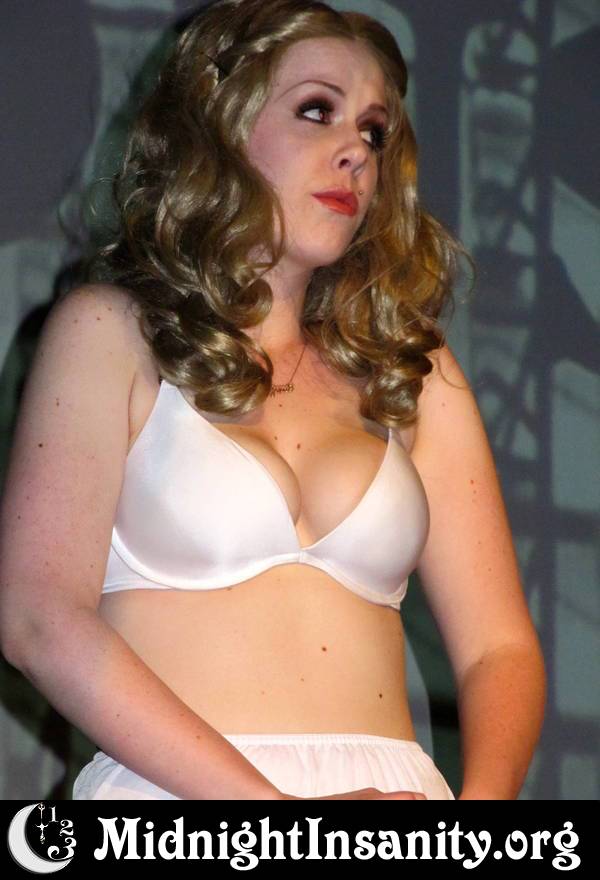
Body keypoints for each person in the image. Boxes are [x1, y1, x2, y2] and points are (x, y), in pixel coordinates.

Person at [0, 0, 545, 800]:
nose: (356, 153)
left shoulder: (412, 369)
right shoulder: (110, 332)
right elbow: (38, 618)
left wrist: (470, 832)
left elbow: (501, 649)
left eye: (374, 132)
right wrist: (282, 821)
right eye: (317, 110)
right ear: (220, 123)